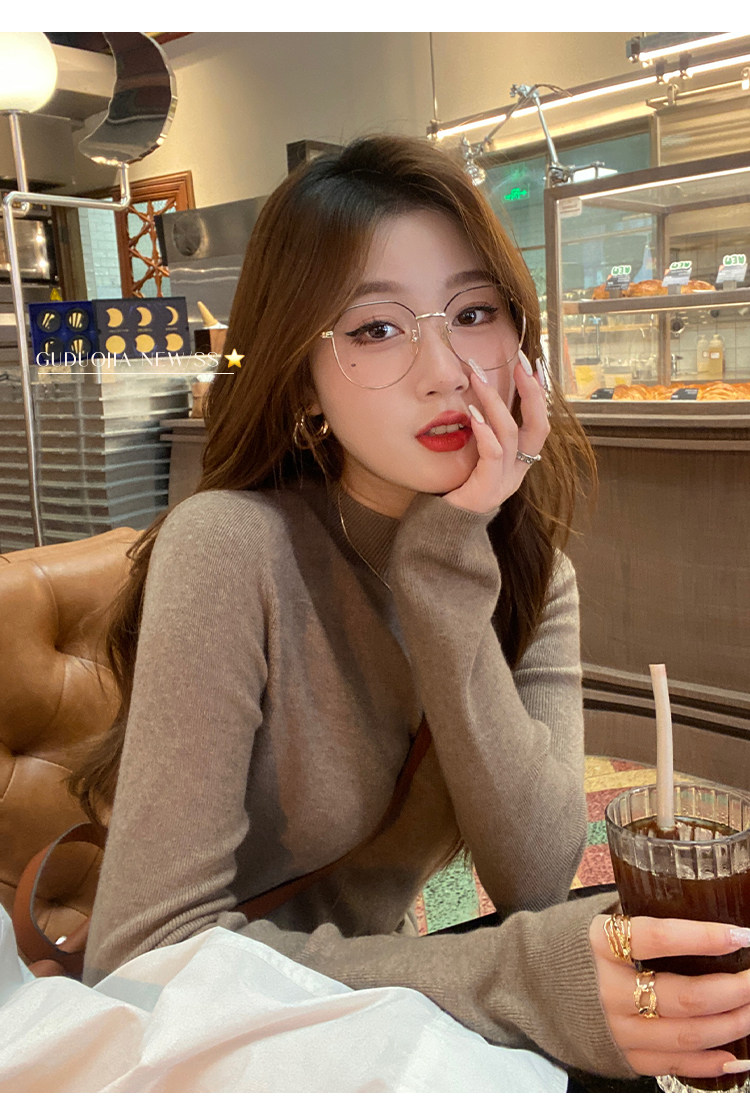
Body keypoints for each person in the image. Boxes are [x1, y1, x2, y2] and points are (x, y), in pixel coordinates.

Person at [67, 135, 750, 1086]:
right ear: (302, 378)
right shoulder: (229, 547)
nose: (447, 369)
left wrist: (442, 570)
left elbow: (532, 872)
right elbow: (141, 962)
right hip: (225, 1051)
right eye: (376, 328)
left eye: (473, 313)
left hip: (386, 1018)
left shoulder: (533, 577)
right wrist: (520, 978)